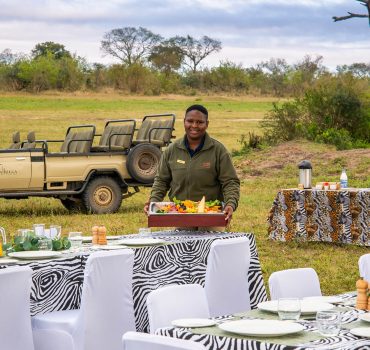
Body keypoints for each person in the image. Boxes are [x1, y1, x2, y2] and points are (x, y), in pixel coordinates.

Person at [144, 104, 240, 225]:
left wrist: (230, 204)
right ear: (184, 122)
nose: (194, 126)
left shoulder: (218, 150)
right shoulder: (172, 150)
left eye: (200, 122)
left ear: (207, 124)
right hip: (180, 215)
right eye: (190, 121)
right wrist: (153, 203)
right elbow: (161, 181)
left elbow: (230, 182)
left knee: (209, 244)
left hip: (211, 215)